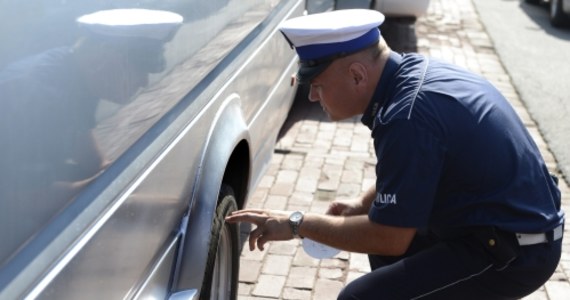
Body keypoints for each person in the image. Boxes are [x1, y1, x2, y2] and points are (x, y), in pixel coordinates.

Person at [225, 9, 564, 299]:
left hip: (515, 249)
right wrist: (361, 205)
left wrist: (298, 224)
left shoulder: (407, 117)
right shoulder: (409, 77)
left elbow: (389, 238)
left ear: (357, 75)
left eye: (317, 85)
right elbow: (418, 170)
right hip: (498, 226)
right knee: (383, 259)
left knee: (359, 296)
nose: (313, 97)